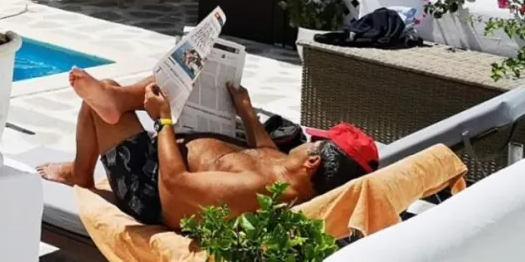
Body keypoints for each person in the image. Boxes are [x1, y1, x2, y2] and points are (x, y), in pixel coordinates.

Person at [38, 69, 377, 230]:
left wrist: (164, 121)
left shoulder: (258, 188)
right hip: (170, 155)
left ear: (313, 162)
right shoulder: (290, 174)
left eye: (312, 141)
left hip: (151, 187)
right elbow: (265, 152)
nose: (305, 140)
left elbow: (175, 184)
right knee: (179, 74)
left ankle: (80, 173)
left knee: (97, 106)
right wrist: (246, 111)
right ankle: (118, 98)